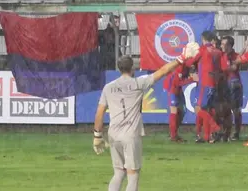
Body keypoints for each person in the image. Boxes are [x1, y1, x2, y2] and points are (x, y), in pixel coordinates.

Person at [93, 55, 186, 191]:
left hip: (113, 134)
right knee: (133, 175)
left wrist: (97, 136)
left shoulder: (108, 87)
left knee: (118, 172)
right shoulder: (139, 83)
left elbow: (99, 113)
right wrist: (181, 59)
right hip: (130, 135)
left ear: (119, 69)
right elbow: (163, 71)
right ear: (132, 68)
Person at [182, 31, 224, 144]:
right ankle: (207, 136)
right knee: (207, 110)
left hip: (204, 82)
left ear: (203, 39)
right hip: (213, 83)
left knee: (198, 109)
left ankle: (216, 128)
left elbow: (191, 62)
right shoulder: (218, 52)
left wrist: (186, 58)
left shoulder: (203, 50)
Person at [219, 36, 243, 141]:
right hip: (226, 83)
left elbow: (234, 68)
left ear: (229, 45)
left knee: (234, 110)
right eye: (221, 44)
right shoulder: (221, 55)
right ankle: (227, 132)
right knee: (226, 110)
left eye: (223, 44)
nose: (221, 46)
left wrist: (223, 69)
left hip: (233, 83)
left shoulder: (234, 56)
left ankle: (235, 132)